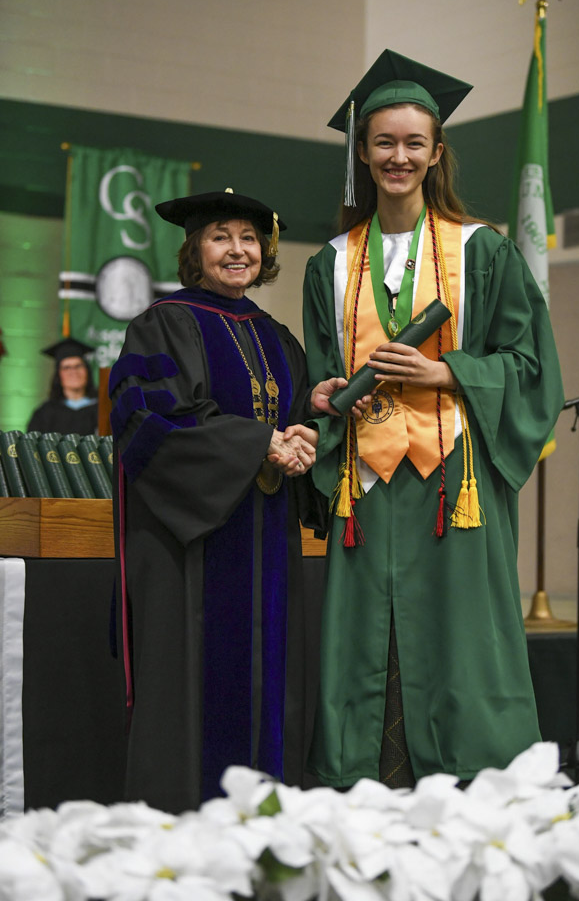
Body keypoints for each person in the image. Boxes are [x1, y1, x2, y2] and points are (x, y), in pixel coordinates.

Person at [302, 50, 564, 789]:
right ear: (362, 149)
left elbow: (531, 364)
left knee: (461, 637)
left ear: (435, 152)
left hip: (455, 479)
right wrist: (321, 398)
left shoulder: (481, 250)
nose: (398, 156)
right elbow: (323, 370)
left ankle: (475, 787)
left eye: (414, 143)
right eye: (384, 141)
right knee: (364, 639)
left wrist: (448, 370)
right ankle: (363, 786)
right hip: (367, 483)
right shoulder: (329, 261)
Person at [110, 189, 334, 814]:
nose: (238, 250)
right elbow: (151, 421)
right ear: (194, 250)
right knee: (193, 685)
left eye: (249, 239)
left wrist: (307, 424)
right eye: (220, 237)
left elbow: (283, 422)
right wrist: (258, 442)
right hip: (193, 544)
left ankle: (267, 821)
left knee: (267, 681)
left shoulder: (276, 336)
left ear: (265, 253)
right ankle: (182, 823)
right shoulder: (164, 323)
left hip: (266, 536)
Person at [27, 337, 98, 434]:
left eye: (78, 366)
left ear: (87, 371)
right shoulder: (44, 413)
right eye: (66, 367)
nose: (74, 372)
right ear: (58, 374)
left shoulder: (102, 409)